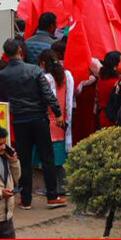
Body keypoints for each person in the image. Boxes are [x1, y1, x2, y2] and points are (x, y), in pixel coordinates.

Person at [0, 38, 67, 209]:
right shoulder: (34, 70)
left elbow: (6, 95)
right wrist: (58, 113)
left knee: (24, 160)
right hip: (39, 118)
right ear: (21, 50)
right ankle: (52, 196)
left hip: (20, 120)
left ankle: (26, 199)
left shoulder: (3, 75)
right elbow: (48, 94)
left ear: (6, 53)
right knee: (47, 157)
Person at [39, 49, 73, 196]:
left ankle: (52, 188)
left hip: (49, 122)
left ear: (42, 63)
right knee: (60, 158)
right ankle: (64, 186)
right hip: (63, 121)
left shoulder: (45, 78)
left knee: (49, 159)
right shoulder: (67, 76)